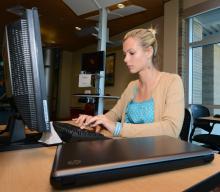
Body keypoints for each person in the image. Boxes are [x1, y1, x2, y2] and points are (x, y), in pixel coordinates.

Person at [74, 28, 185, 138]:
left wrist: (118, 128)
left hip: (157, 153)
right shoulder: (132, 85)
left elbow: (171, 129)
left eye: (131, 53)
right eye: (125, 54)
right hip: (127, 149)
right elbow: (114, 114)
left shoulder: (172, 81)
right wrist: (97, 120)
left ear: (148, 52)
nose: (125, 59)